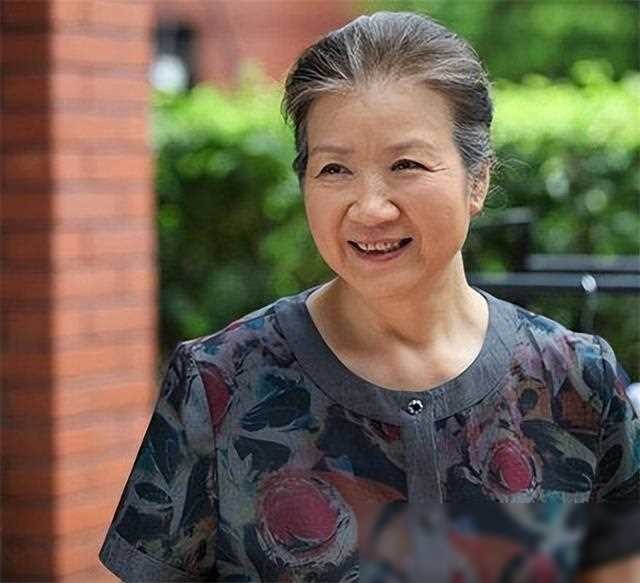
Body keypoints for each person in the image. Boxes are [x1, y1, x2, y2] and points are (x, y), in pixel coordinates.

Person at [99, 11, 640, 582]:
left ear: (477, 179)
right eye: (335, 169)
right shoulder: (220, 385)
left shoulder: (575, 380)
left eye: (406, 164)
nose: (370, 208)